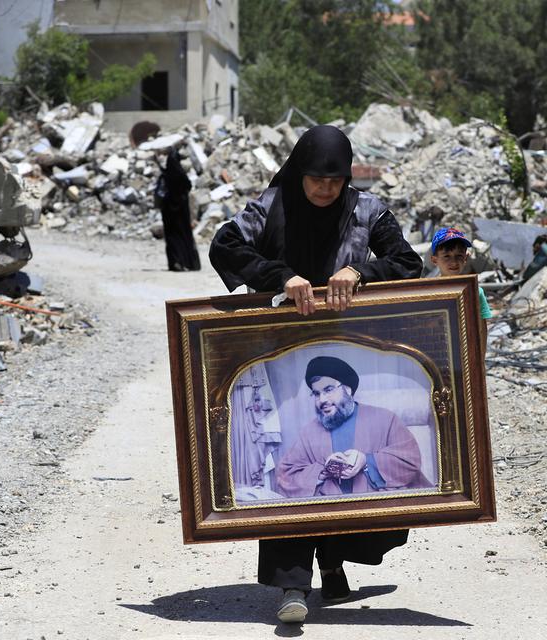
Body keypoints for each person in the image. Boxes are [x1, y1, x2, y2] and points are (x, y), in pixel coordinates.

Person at [209, 125, 423, 624]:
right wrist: (280, 276)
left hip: (348, 343)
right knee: (296, 460)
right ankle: (293, 588)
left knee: (347, 460)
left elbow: (407, 262)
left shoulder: (366, 210)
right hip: (284, 348)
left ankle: (332, 564)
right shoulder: (270, 206)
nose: (326, 190)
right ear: (298, 173)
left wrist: (362, 272)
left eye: (336, 181)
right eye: (315, 180)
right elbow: (226, 247)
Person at [277, 356, 430, 499]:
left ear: (348, 389)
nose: (322, 400)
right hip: (332, 514)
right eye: (316, 394)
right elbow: (286, 477)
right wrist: (323, 470)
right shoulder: (309, 433)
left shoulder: (384, 419)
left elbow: (410, 460)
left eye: (328, 390)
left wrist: (367, 460)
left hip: (379, 509)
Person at [430, 227, 492, 353]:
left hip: (466, 355)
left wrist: (481, 361)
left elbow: (482, 328)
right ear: (434, 260)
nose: (453, 262)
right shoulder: (429, 292)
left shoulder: (475, 292)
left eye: (459, 256)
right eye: (446, 256)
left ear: (466, 257)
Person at [157, 148, 201, 272]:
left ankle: (175, 262)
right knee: (183, 235)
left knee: (172, 237)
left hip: (169, 212)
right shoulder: (181, 174)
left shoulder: (166, 175)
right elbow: (188, 185)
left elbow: (163, 189)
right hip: (181, 212)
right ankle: (187, 262)